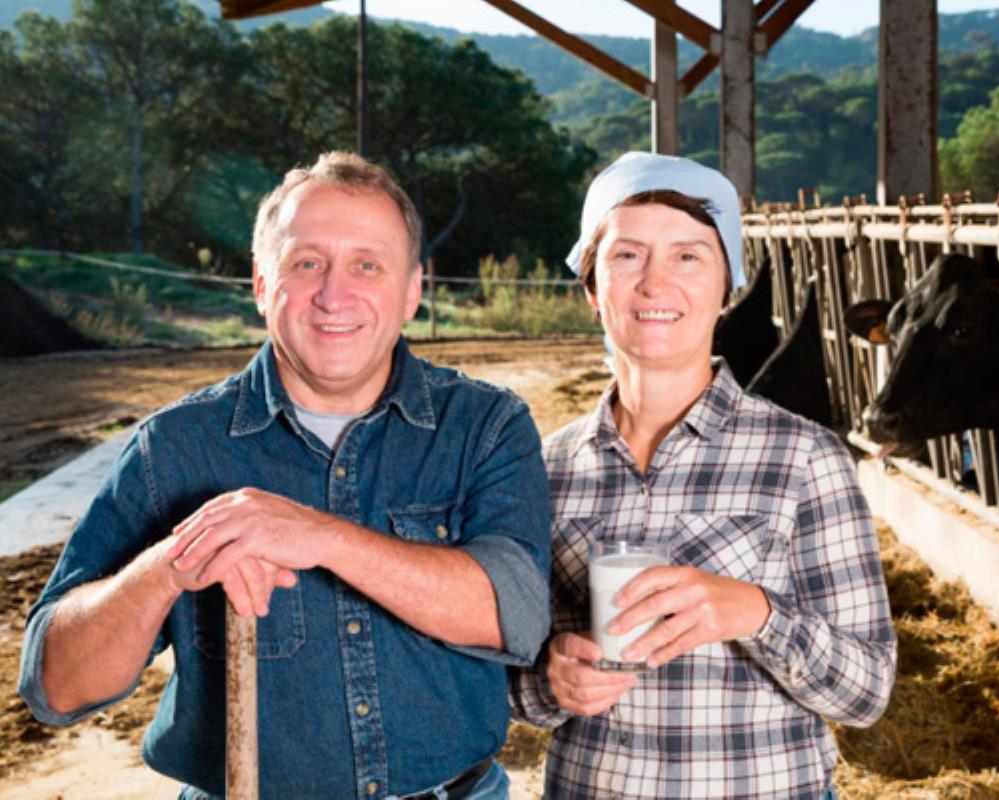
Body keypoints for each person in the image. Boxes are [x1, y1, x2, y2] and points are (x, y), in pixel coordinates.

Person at [19, 151, 551, 799]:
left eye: (367, 265)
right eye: (307, 264)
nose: (334, 294)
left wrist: (321, 537)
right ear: (263, 284)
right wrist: (168, 568)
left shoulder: (484, 426)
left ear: (412, 290)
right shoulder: (176, 447)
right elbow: (56, 686)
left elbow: (518, 618)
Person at [510, 152, 896, 799]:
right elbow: (511, 682)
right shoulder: (545, 469)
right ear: (591, 286)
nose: (655, 285)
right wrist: (548, 682)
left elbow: (868, 692)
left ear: (727, 286)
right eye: (627, 256)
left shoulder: (804, 458)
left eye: (688, 257)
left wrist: (756, 614)